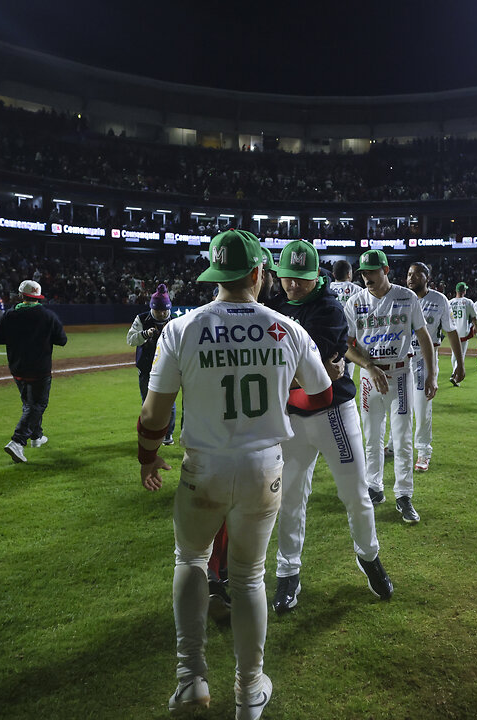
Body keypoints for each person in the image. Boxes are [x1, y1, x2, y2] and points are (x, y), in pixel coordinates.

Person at [137, 228, 332, 720]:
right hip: (263, 466)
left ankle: (190, 678)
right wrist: (278, 405)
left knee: (191, 560)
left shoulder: (181, 328)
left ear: (216, 273)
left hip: (202, 465)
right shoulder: (287, 328)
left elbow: (153, 416)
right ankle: (248, 692)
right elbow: (323, 395)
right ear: (256, 273)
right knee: (248, 578)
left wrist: (147, 456)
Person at [266, 240, 394, 615]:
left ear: (315, 276)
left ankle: (369, 556)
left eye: (301, 279)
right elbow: (304, 373)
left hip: (333, 411)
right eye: (288, 277)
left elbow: (311, 375)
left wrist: (304, 374)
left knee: (356, 493)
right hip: (291, 415)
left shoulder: (329, 308)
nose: (294, 286)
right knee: (288, 498)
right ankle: (288, 572)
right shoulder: (272, 307)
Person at [344, 249, 439, 524]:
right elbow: (347, 344)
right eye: (362, 272)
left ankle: (404, 495)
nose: (366, 277)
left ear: (385, 270)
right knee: (371, 438)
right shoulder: (355, 302)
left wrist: (431, 375)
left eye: (371, 271)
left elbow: (423, 336)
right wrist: (368, 366)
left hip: (400, 374)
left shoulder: (406, 297)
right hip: (369, 377)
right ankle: (374, 487)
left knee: (402, 437)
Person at [0, 280, 68, 462]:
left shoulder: (10, 315)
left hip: (18, 367)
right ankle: (17, 442)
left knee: (29, 404)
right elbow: (62, 340)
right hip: (40, 369)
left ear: (21, 295)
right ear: (38, 296)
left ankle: (36, 436)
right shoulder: (48, 316)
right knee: (37, 405)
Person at [406, 262, 465, 472]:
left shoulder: (439, 300)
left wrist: (459, 363)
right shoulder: (402, 297)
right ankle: (395, 445)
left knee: (422, 407)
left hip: (425, 360)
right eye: (409, 274)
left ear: (427, 278)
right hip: (403, 361)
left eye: (417, 274)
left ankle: (423, 451)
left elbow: (451, 332)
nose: (411, 278)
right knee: (399, 407)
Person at [127, 284, 177, 445]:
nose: (162, 313)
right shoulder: (141, 319)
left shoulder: (175, 320)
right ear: (151, 308)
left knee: (169, 403)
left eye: (164, 310)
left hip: (168, 368)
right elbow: (130, 339)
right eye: (158, 310)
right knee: (147, 403)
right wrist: (145, 334)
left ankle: (168, 434)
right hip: (147, 368)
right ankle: (150, 434)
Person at [446, 282, 477, 383]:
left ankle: (454, 371)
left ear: (456, 291)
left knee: (454, 354)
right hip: (463, 331)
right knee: (461, 355)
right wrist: (476, 326)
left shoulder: (449, 302)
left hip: (452, 331)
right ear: (464, 291)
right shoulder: (468, 302)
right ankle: (455, 373)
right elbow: (473, 317)